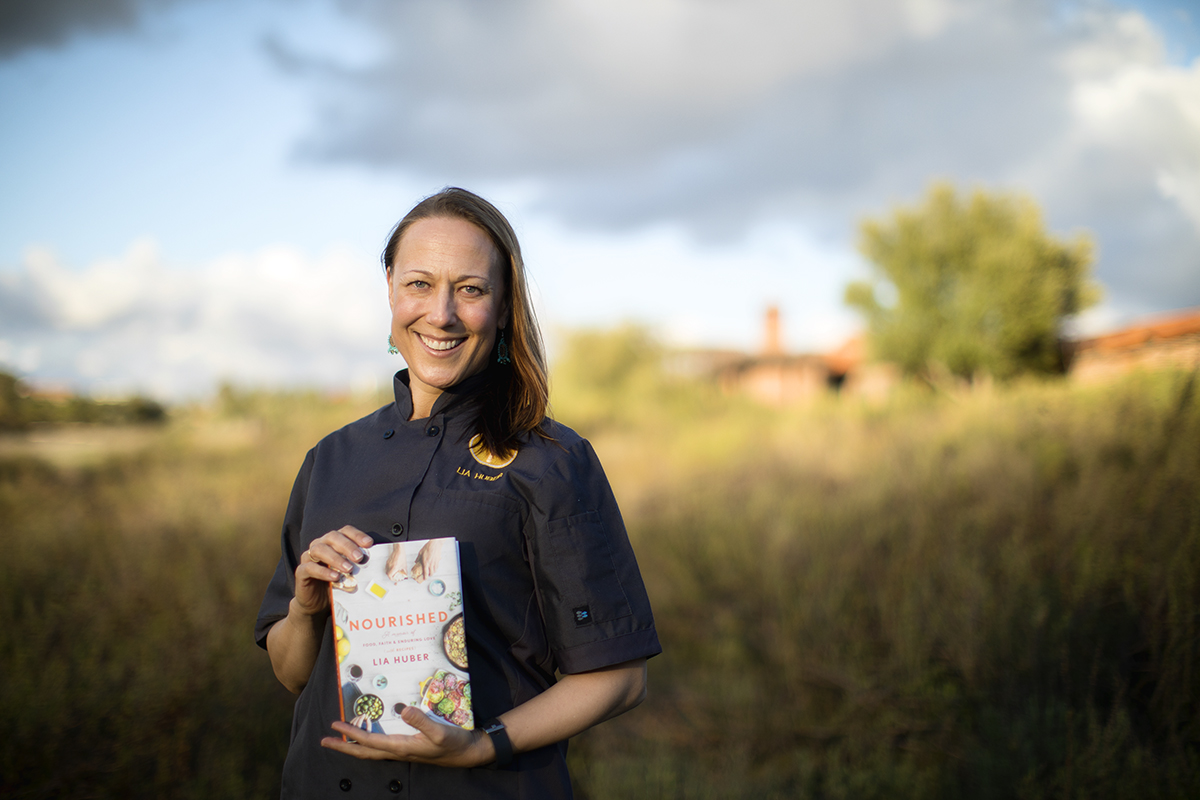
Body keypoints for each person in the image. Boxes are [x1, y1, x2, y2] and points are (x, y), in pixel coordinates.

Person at [255, 187, 661, 799]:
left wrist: (483, 743)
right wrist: (306, 609)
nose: (440, 313)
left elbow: (620, 678)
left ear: (502, 308)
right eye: (419, 284)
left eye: (470, 289)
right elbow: (292, 676)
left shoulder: (552, 461)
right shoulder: (330, 459)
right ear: (390, 288)